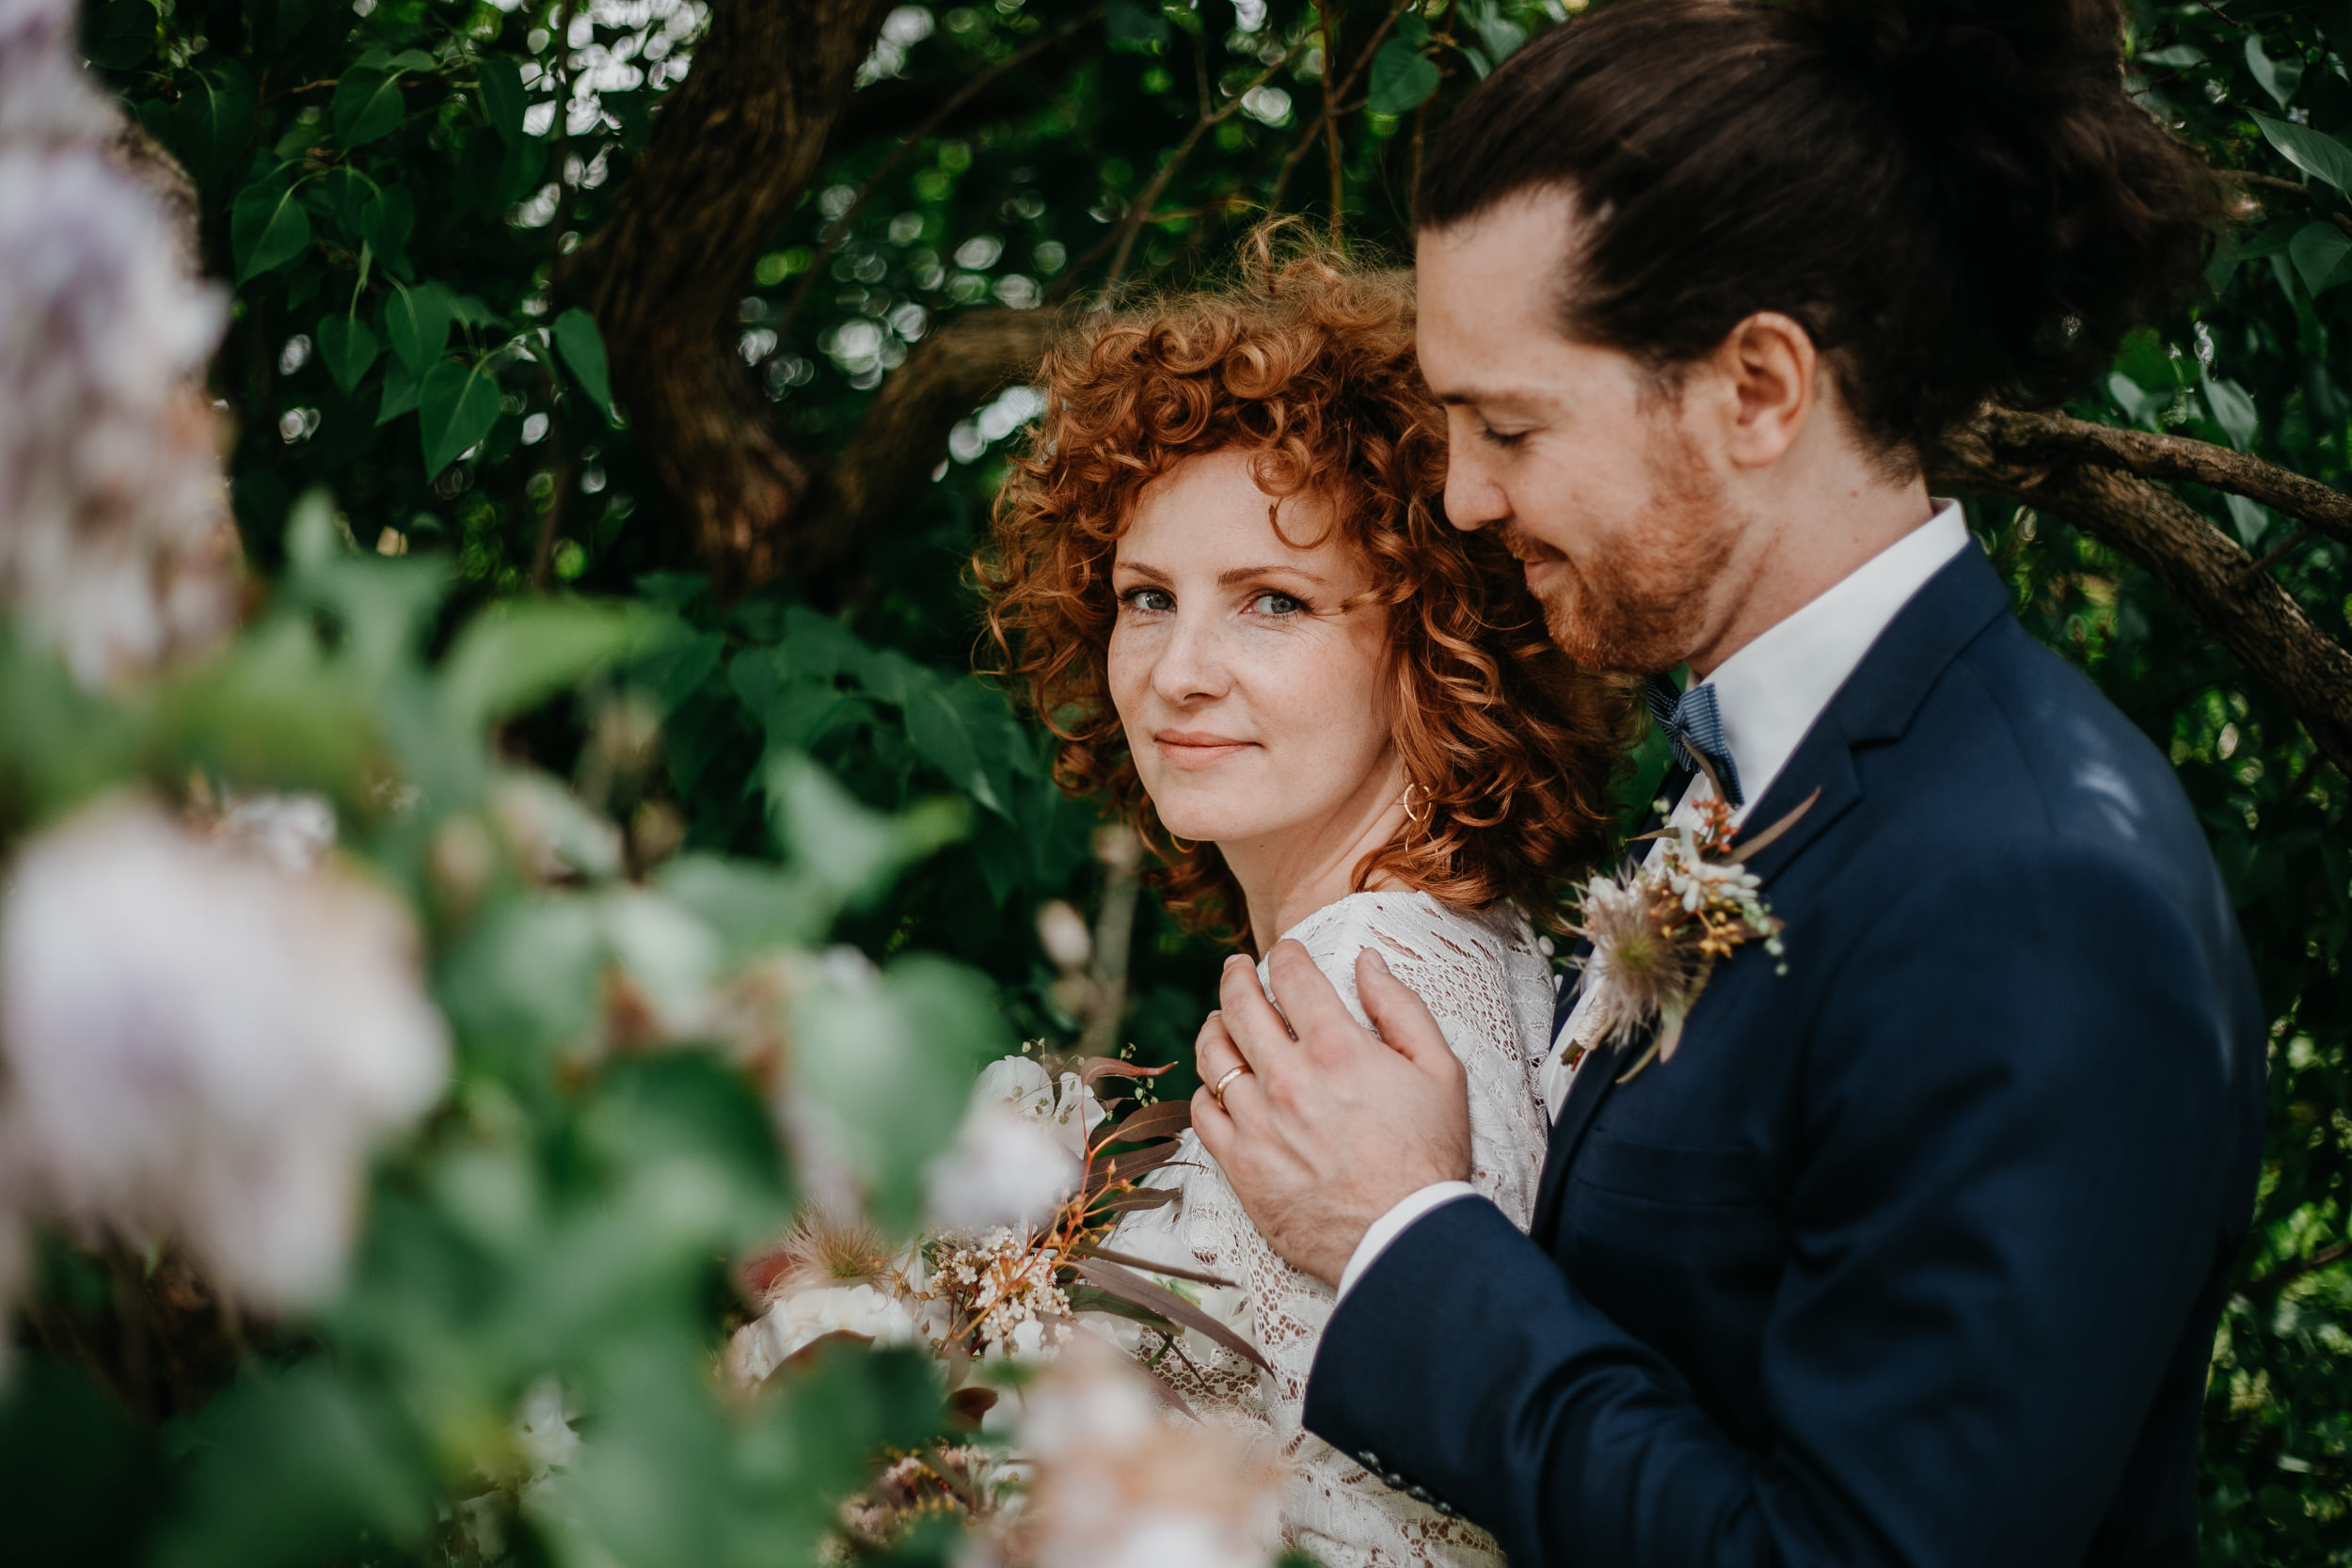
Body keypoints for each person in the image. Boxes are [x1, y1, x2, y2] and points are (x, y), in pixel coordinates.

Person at [1187, 3, 2269, 1564]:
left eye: (1509, 426)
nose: (1463, 494)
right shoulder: (1754, 783)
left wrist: (1404, 1235)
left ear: (1758, 389)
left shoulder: (2036, 890)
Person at [978, 243, 1634, 1565]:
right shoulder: (1444, 946)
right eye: (1146, 600)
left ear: (1434, 635)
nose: (1179, 671)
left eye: (1271, 603)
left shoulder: (1367, 987)